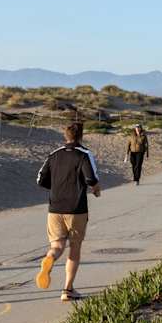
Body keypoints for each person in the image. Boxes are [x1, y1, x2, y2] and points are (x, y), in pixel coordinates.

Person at [35, 122, 101, 302]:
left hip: (55, 207)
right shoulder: (84, 154)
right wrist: (96, 190)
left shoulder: (54, 154)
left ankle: (50, 258)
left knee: (56, 246)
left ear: (66, 136)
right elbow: (90, 178)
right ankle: (67, 289)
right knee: (75, 247)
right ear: (81, 136)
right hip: (76, 208)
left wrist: (56, 187)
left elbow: (40, 179)